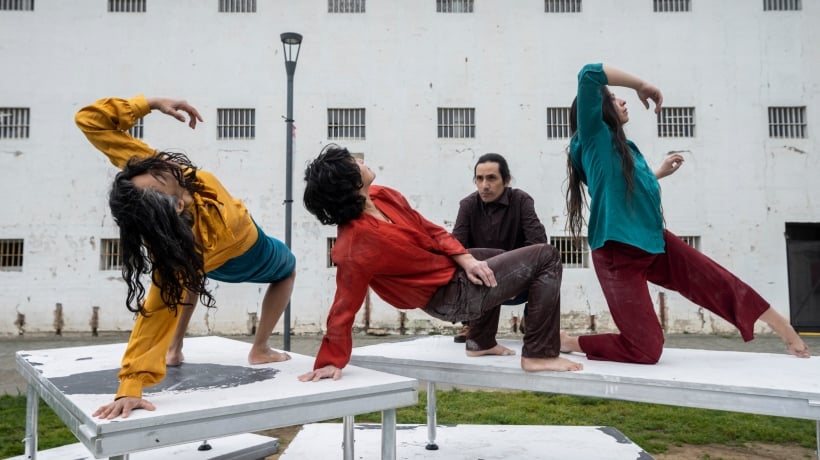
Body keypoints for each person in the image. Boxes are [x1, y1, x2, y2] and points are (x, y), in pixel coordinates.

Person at [560, 63, 811, 364]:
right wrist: (642, 85)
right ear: (598, 109)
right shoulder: (593, 138)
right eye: (614, 98)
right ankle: (570, 341)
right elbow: (589, 73)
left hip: (652, 240)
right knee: (647, 349)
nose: (623, 101)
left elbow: (623, 189)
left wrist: (657, 173)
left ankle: (783, 328)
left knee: (715, 279)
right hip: (617, 252)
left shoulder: (626, 149)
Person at [75, 95, 296, 418]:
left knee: (187, 275)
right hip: (248, 250)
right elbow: (152, 316)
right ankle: (260, 348)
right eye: (166, 176)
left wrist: (149, 103)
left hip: (193, 256)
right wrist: (130, 387)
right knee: (286, 269)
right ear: (178, 205)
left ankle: (175, 349)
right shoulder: (192, 244)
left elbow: (88, 120)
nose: (167, 165)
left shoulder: (149, 181)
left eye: (157, 166)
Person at [297, 145, 583, 382]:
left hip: (452, 270)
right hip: (446, 295)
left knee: (492, 256)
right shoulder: (354, 244)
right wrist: (330, 360)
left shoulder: (382, 195)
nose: (360, 159)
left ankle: (480, 343)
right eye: (353, 162)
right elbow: (343, 306)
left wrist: (466, 258)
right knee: (547, 255)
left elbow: (428, 227)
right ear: (349, 182)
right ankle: (539, 354)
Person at [451, 153, 548, 342]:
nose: (484, 185)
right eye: (479, 179)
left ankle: (533, 322)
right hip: (480, 281)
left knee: (548, 263)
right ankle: (469, 323)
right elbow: (457, 247)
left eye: (491, 178)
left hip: (518, 281)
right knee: (451, 260)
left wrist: (513, 278)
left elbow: (537, 243)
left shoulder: (521, 200)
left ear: (506, 180)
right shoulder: (468, 205)